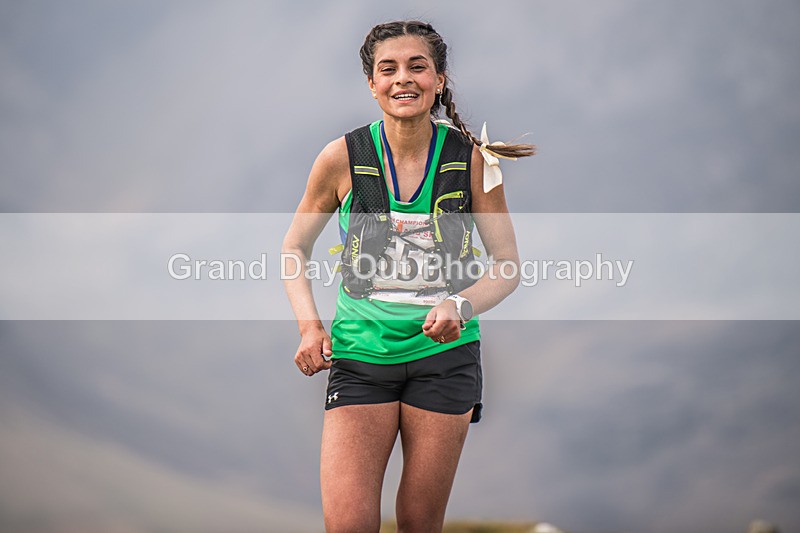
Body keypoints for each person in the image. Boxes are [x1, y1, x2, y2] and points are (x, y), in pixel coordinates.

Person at [282, 20, 535, 533]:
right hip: (360, 357)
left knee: (420, 523)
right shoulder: (341, 158)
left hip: (444, 362)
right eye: (388, 69)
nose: (404, 79)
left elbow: (507, 266)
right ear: (371, 84)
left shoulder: (472, 161)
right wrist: (309, 326)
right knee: (349, 525)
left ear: (440, 79)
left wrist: (461, 305)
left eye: (418, 66)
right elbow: (294, 247)